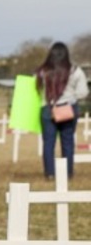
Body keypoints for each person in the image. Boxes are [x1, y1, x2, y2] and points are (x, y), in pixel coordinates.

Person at [35, 41, 88, 179]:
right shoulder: (75, 71)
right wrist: (70, 97)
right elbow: (83, 92)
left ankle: (50, 173)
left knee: (48, 142)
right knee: (68, 141)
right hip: (68, 109)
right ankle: (68, 173)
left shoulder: (42, 71)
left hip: (48, 108)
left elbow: (37, 90)